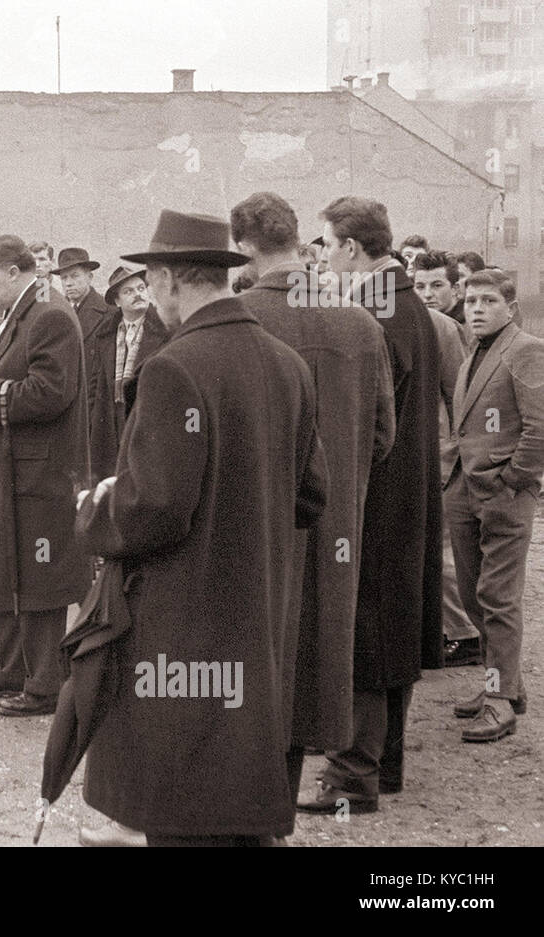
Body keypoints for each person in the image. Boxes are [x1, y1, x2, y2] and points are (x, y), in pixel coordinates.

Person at [80, 208, 327, 846]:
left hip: (181, 607)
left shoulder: (173, 367)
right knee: (233, 759)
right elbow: (311, 497)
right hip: (260, 602)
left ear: (164, 280)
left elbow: (154, 510)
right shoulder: (287, 364)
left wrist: (96, 507)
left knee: (182, 767)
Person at [231, 191, 395, 811]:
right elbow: (384, 437)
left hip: (256, 524)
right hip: (338, 529)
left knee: (255, 657)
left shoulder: (236, 317)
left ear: (245, 246)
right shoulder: (359, 323)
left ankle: (253, 804)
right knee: (320, 656)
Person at [299, 196, 444, 815]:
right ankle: (382, 766)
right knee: (393, 623)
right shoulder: (408, 304)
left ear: (351, 248)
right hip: (408, 494)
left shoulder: (373, 313)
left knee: (364, 628)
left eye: (327, 245)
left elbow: (368, 426)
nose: (323, 257)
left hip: (375, 498)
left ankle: (352, 776)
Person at [0, 234, 89, 718]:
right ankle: (12, 670)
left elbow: (51, 393)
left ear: (13, 271)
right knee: (8, 568)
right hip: (13, 469)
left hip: (39, 475)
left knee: (39, 578)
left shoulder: (49, 315)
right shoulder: (23, 312)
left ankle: (46, 684)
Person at [446, 271, 543, 742]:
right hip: (466, 491)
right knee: (471, 594)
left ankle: (501, 702)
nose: (476, 308)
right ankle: (500, 684)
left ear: (510, 306)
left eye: (487, 300)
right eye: (470, 300)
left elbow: (540, 428)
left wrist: (511, 480)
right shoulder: (475, 350)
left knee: (497, 599)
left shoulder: (525, 348)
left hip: (503, 495)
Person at [413, 251, 481, 667]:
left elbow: (460, 396)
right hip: (430, 456)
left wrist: (456, 458)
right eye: (420, 286)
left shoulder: (445, 330)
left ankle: (464, 634)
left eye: (436, 285)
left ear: (455, 288)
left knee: (445, 551)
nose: (427, 294)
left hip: (444, 457)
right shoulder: (420, 323)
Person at [87, 265, 169, 480]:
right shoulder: (105, 334)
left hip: (145, 418)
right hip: (111, 419)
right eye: (129, 291)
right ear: (117, 301)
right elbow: (95, 385)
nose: (138, 295)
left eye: (141, 288)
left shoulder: (165, 330)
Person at [53, 247, 107, 342]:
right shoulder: (56, 311)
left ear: (89, 277)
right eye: (64, 278)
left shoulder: (107, 312)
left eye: (75, 276)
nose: (68, 283)